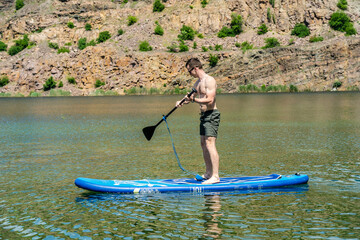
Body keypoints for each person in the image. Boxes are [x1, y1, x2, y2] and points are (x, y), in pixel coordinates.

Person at [176, 58, 220, 184]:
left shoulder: (209, 80)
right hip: (203, 116)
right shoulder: (198, 83)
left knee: (210, 144)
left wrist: (193, 101)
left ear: (195, 68)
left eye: (189, 71)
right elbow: (190, 96)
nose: (189, 74)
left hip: (212, 114)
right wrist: (181, 102)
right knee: (203, 144)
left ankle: (215, 176)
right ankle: (208, 173)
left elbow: (210, 100)